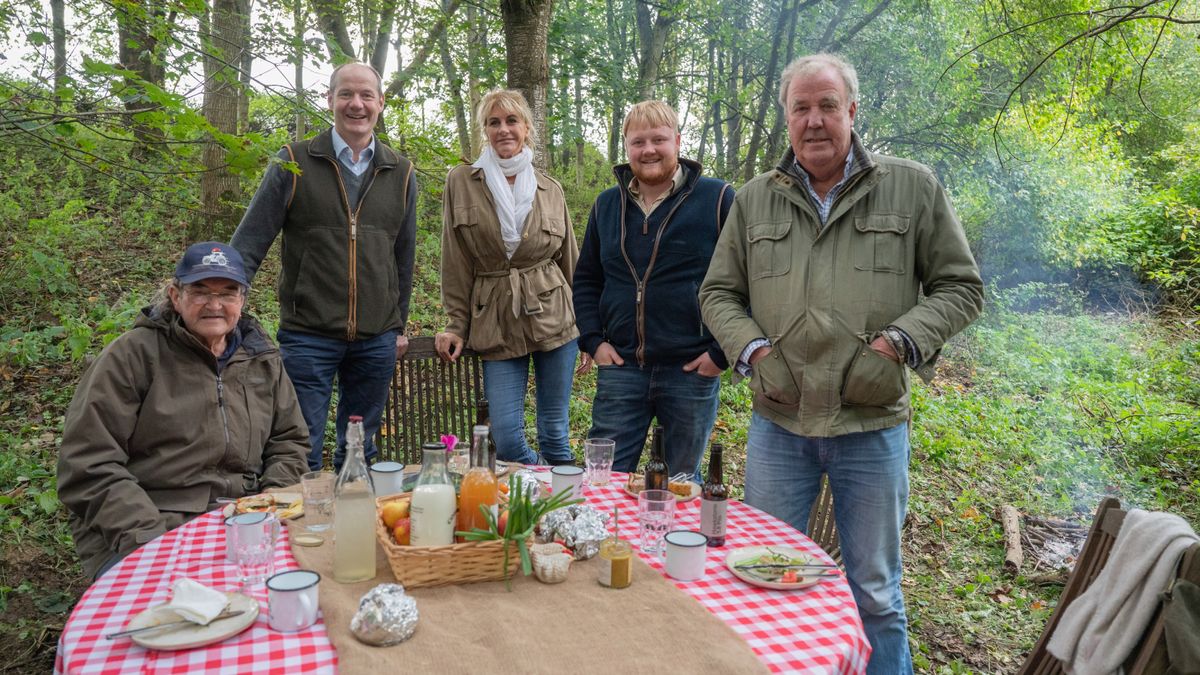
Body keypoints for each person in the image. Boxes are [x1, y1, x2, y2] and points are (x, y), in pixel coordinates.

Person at [699, 53, 984, 674]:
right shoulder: (754, 200)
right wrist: (754, 353)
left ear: (852, 111)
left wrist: (897, 344)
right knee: (763, 578)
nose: (814, 120)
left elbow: (960, 287)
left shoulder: (911, 188)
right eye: (800, 107)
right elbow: (718, 293)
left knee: (875, 593)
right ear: (786, 118)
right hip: (779, 426)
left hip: (870, 427)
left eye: (828, 105)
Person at [57, 242, 309, 580]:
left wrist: (271, 500)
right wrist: (149, 537)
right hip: (151, 520)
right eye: (200, 291)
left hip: (244, 513)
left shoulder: (260, 357)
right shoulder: (131, 357)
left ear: (242, 300)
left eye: (228, 293)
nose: (214, 305)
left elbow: (289, 439)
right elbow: (88, 464)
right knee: (170, 616)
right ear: (176, 296)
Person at [231, 62, 416, 472]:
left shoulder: (400, 171)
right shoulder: (294, 162)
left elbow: (403, 256)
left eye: (367, 95)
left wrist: (397, 324)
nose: (357, 104)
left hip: (375, 340)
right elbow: (249, 243)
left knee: (360, 453)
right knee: (301, 448)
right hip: (308, 335)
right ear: (329, 100)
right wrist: (224, 302)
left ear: (380, 103)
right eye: (346, 94)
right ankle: (303, 534)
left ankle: (357, 533)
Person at [573, 100, 733, 476]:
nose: (648, 150)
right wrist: (593, 341)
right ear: (627, 148)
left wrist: (721, 352)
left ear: (677, 141)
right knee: (605, 476)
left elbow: (747, 280)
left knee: (680, 483)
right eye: (638, 142)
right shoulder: (606, 206)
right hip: (622, 367)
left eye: (658, 139)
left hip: (691, 369)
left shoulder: (718, 199)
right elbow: (586, 280)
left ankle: (673, 536)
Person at [435, 89, 580, 466]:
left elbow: (571, 261)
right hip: (494, 318)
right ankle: (539, 484)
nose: (503, 130)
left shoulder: (550, 189)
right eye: (494, 122)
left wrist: (589, 328)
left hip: (555, 316)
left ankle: (561, 511)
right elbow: (455, 260)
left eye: (512, 121)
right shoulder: (463, 181)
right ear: (485, 130)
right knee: (507, 437)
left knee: (555, 431)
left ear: (527, 128)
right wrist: (456, 323)